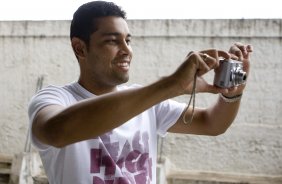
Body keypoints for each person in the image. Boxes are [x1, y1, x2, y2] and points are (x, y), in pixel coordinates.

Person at [28, 1, 253, 184]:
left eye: (128, 40)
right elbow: (55, 131)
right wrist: (170, 85)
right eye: (112, 41)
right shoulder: (54, 98)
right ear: (79, 48)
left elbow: (213, 123)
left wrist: (233, 92)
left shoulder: (147, 101)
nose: (126, 50)